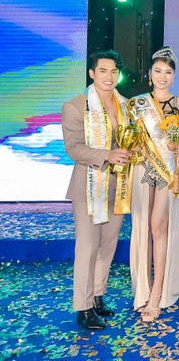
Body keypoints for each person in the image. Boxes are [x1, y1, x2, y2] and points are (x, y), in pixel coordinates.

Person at [62, 50, 130, 330]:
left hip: (118, 186)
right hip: (88, 187)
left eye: (114, 71)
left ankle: (98, 296)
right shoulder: (75, 106)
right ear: (92, 73)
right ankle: (83, 307)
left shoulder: (125, 105)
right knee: (88, 247)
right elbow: (73, 148)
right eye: (103, 71)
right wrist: (107, 155)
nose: (109, 77)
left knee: (107, 245)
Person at [129, 47, 179, 321]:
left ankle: (157, 295)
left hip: (167, 172)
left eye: (168, 72)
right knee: (143, 227)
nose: (163, 76)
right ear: (149, 74)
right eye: (158, 71)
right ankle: (143, 288)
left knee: (158, 226)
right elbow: (128, 138)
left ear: (173, 76)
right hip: (143, 169)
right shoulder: (136, 104)